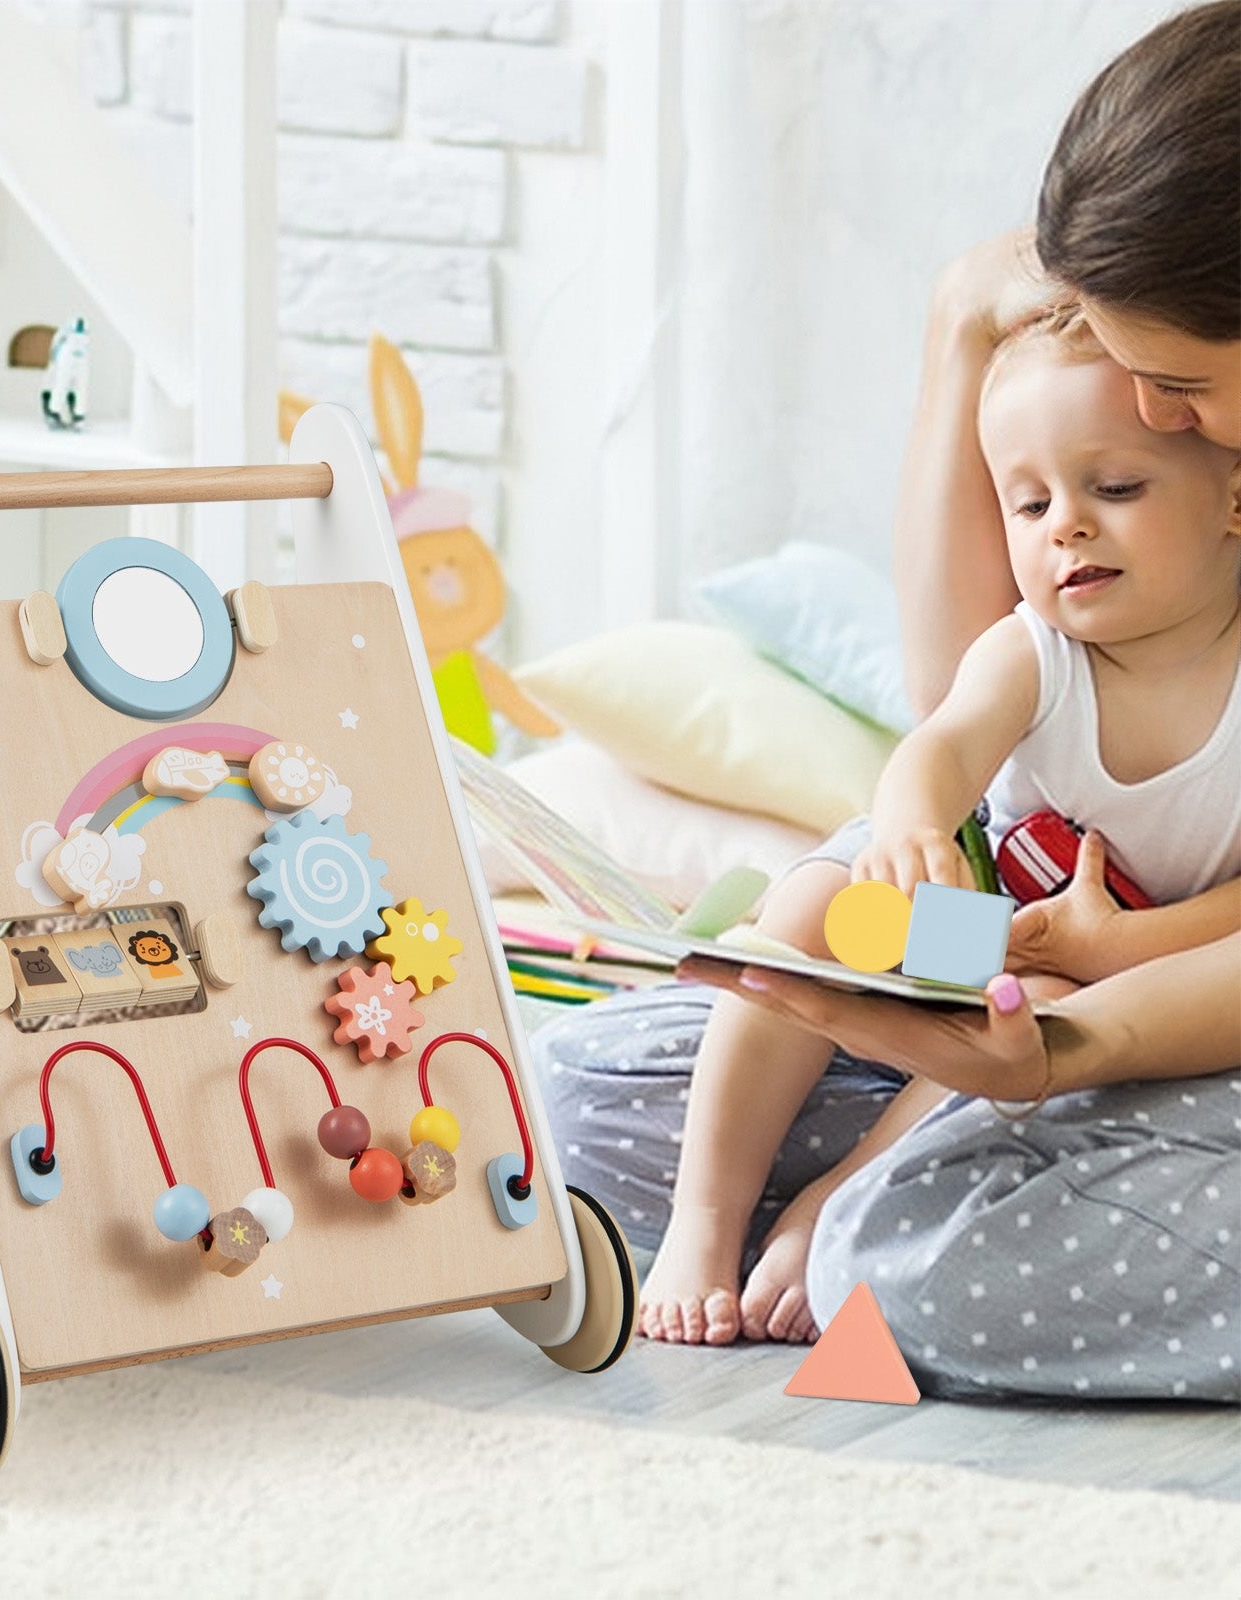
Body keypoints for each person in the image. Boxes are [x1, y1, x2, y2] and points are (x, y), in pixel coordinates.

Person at [530, 1, 1241, 1397]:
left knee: (897, 1264)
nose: (1158, 422)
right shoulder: (1098, 603)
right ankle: (859, 1194)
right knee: (577, 1099)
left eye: (1181, 390)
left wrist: (1076, 1020)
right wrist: (963, 325)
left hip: (1155, 993)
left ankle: (888, 1208)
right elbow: (965, 715)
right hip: (1076, 976)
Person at [634, 313, 1241, 1346]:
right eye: (1029, 500)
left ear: (1234, 494)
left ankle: (841, 1197)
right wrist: (912, 825)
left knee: (1027, 1017)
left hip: (1114, 974)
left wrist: (1120, 947)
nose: (1065, 527)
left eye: (1116, 488)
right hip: (971, 915)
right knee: (810, 911)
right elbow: (944, 744)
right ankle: (705, 1215)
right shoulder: (1037, 650)